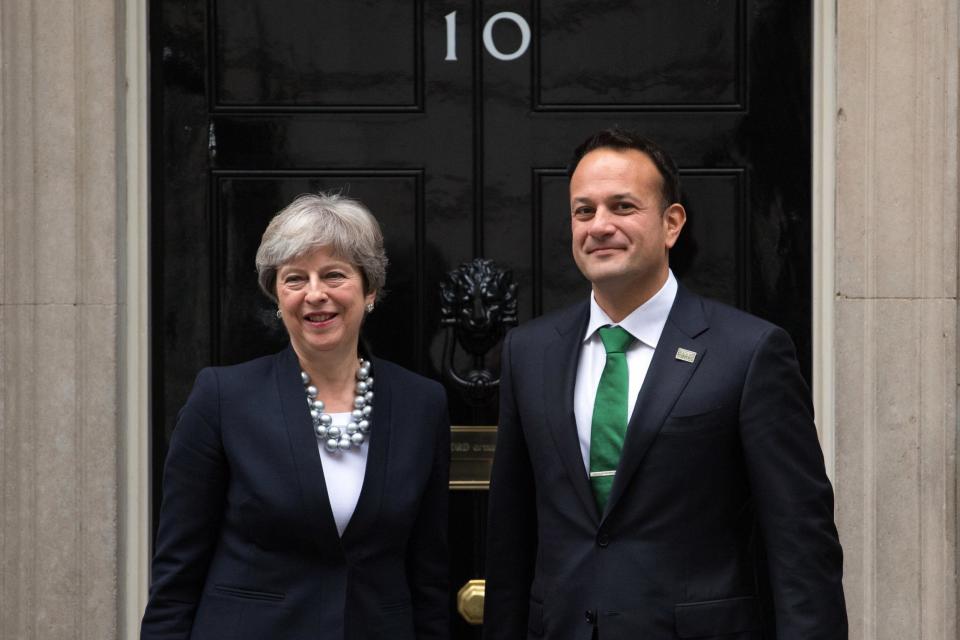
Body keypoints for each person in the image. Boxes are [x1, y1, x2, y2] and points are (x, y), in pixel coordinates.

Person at [483, 128, 846, 639]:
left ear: (671, 223)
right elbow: (510, 540)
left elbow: (800, 544)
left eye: (622, 206)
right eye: (583, 211)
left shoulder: (749, 353)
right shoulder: (530, 353)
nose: (599, 226)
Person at [141, 193, 450, 640]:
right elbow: (176, 573)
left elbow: (428, 574)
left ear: (370, 291)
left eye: (334, 275)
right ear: (277, 295)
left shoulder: (422, 404)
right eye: (294, 279)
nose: (315, 294)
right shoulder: (223, 399)